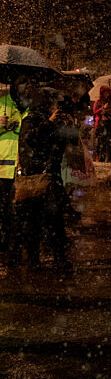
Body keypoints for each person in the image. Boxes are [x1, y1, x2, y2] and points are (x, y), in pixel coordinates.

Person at [11, 83, 71, 270]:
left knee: (50, 221)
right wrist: (50, 123)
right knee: (37, 222)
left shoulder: (46, 119)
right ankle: (33, 260)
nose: (55, 106)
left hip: (49, 176)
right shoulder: (32, 119)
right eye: (52, 103)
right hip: (36, 177)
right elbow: (31, 139)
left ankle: (56, 258)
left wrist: (67, 127)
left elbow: (59, 145)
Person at [0, 78, 22, 260]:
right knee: (5, 206)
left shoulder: (27, 108)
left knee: (14, 209)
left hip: (20, 166)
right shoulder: (3, 103)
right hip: (3, 166)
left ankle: (12, 241)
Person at [92, 86, 111, 163]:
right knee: (102, 142)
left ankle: (110, 158)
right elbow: (95, 112)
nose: (107, 94)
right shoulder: (98, 102)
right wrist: (103, 108)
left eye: (108, 92)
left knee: (110, 142)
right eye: (105, 92)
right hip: (102, 124)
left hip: (109, 124)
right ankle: (101, 158)